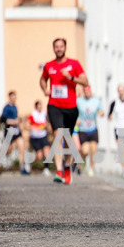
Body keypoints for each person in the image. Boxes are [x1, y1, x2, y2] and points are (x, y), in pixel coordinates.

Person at [40, 37, 88, 184]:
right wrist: (45, 89)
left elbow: (85, 81)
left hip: (71, 108)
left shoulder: (74, 64)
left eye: (61, 46)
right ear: (53, 48)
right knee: (58, 134)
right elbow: (42, 79)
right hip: (54, 105)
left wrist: (71, 77)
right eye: (56, 47)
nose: (59, 49)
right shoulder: (49, 65)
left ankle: (67, 165)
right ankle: (59, 170)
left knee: (67, 139)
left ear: (65, 48)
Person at [76, 85, 103, 176]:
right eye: (85, 91)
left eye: (88, 91)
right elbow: (74, 110)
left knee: (93, 150)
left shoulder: (96, 101)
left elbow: (101, 110)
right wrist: (76, 118)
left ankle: (91, 167)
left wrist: (101, 113)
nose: (87, 92)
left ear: (91, 91)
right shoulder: (79, 101)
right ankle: (80, 163)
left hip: (93, 129)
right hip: (83, 129)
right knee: (85, 151)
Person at [0, 91, 29, 175]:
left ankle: (22, 167)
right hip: (9, 130)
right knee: (9, 149)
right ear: (9, 97)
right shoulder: (6, 107)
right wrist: (13, 121)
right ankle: (6, 164)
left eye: (15, 97)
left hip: (16, 131)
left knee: (22, 148)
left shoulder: (16, 107)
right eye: (12, 97)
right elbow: (4, 120)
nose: (14, 98)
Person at [27, 100, 50, 175]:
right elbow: (27, 125)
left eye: (41, 106)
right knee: (39, 155)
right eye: (38, 107)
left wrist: (46, 126)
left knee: (47, 151)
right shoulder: (33, 114)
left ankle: (46, 168)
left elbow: (47, 124)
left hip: (43, 135)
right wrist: (34, 128)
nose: (40, 108)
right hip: (35, 137)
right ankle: (30, 162)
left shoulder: (44, 114)